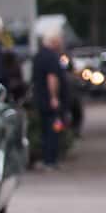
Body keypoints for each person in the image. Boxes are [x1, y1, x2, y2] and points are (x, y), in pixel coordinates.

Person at [32, 29, 68, 171]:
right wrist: (54, 97)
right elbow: (52, 78)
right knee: (54, 129)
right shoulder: (51, 57)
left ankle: (48, 158)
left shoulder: (39, 56)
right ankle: (51, 159)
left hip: (41, 100)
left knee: (46, 130)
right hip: (50, 102)